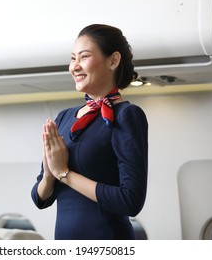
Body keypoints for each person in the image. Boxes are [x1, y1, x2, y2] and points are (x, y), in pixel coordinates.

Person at [31, 24, 148, 240]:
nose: (74, 66)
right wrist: (49, 174)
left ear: (113, 60)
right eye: (73, 58)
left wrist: (64, 174)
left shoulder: (126, 115)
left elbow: (130, 201)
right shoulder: (64, 117)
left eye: (83, 57)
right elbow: (40, 199)